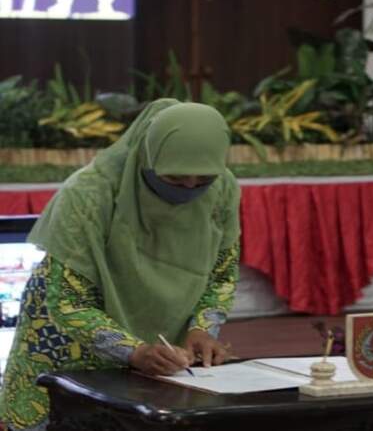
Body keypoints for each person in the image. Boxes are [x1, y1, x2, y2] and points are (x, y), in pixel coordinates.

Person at [0, 99, 241, 431]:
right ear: (148, 158)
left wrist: (202, 328)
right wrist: (132, 351)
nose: (188, 190)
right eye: (173, 179)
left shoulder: (223, 188)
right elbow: (68, 302)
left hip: (158, 355)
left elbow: (222, 273)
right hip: (67, 345)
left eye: (202, 183)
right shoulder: (89, 193)